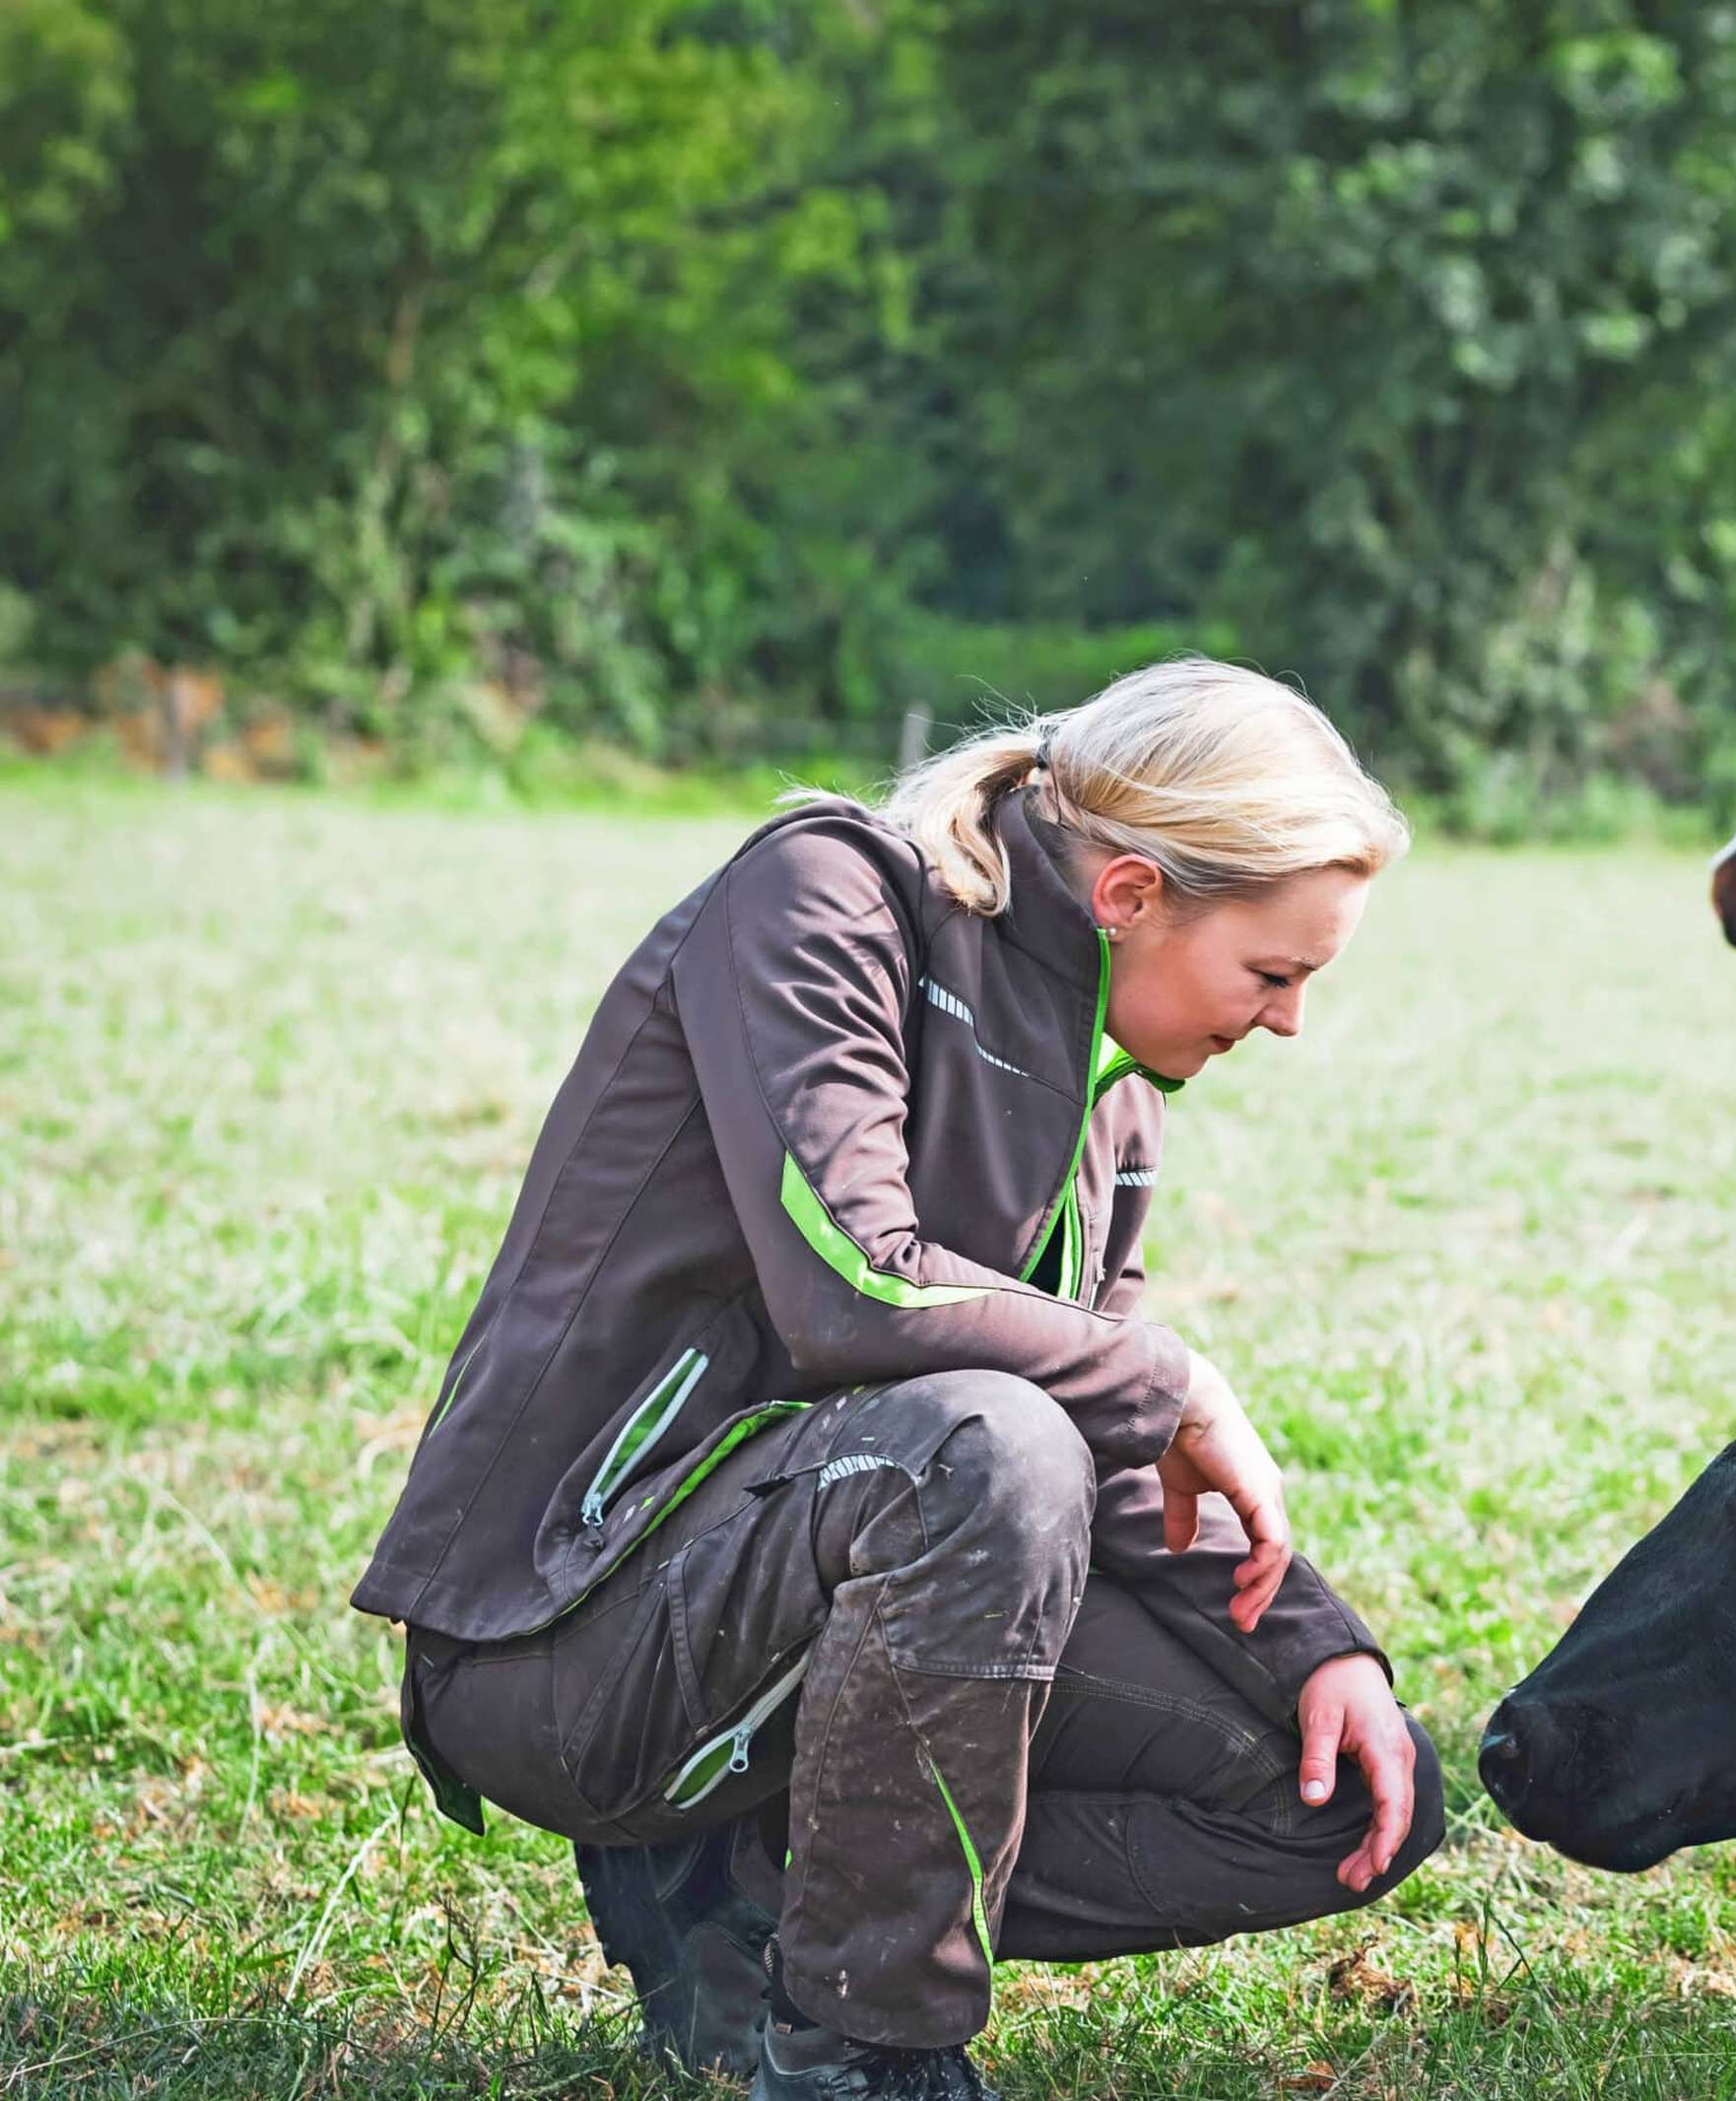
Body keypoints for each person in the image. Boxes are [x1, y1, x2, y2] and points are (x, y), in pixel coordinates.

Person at [353, 660, 1439, 2101]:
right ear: (1130, 894)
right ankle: (867, 2048)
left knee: (1343, 1788)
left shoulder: (1115, 1095)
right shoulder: (823, 897)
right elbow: (852, 1287)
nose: (1289, 1021)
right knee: (989, 1449)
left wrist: (1315, 1646)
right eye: (1275, 974)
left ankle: (757, 1890)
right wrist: (1169, 1376)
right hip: (563, 1643)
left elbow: (1101, 1440)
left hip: (858, 1568)